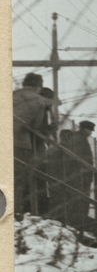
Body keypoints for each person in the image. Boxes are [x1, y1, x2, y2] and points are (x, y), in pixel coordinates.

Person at [13, 73, 49, 216]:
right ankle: (15, 210)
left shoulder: (12, 94)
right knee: (18, 178)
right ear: (38, 86)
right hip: (20, 143)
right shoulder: (39, 100)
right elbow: (36, 125)